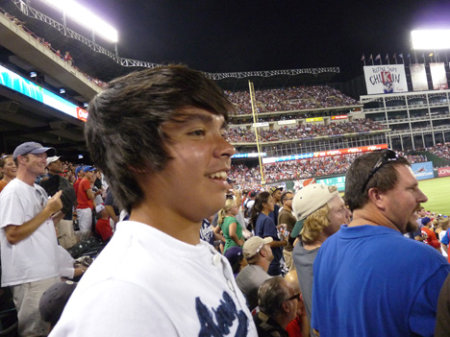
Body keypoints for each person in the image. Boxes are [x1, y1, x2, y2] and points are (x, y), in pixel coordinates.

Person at [50, 65, 257, 336]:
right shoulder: (119, 300)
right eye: (197, 132)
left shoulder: (197, 252)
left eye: (221, 131)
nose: (228, 148)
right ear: (137, 155)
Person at [311, 149, 450, 337]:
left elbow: (318, 329)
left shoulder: (327, 249)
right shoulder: (426, 263)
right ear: (377, 196)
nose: (422, 197)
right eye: (411, 188)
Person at [0, 141, 64, 336]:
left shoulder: (38, 189)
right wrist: (48, 211)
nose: (44, 159)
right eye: (38, 155)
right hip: (29, 275)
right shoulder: (12, 191)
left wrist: (58, 212)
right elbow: (12, 234)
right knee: (34, 332)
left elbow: (42, 226)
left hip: (46, 269)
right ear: (22, 159)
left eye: (45, 156)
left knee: (49, 328)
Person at [292, 183, 351, 327]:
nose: (348, 214)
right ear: (319, 220)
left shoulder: (299, 249)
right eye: (340, 210)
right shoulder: (333, 262)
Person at [251, 191, 287, 276]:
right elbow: (268, 242)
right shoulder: (267, 220)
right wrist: (284, 242)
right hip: (271, 261)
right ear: (264, 204)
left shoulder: (260, 217)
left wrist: (275, 228)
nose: (273, 203)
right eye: (271, 201)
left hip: (265, 260)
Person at [236, 236, 273, 311]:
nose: (270, 246)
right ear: (263, 253)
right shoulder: (267, 282)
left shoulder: (244, 272)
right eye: (267, 245)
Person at [75, 165, 96, 238]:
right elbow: (91, 196)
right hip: (84, 208)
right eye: (90, 172)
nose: (93, 174)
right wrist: (93, 185)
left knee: (86, 231)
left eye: (93, 172)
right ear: (86, 173)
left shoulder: (84, 180)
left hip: (84, 208)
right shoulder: (85, 181)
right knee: (85, 232)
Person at [278, 191, 296, 271]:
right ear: (284, 201)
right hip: (290, 250)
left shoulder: (288, 212)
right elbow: (283, 232)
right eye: (292, 199)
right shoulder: (284, 214)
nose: (294, 200)